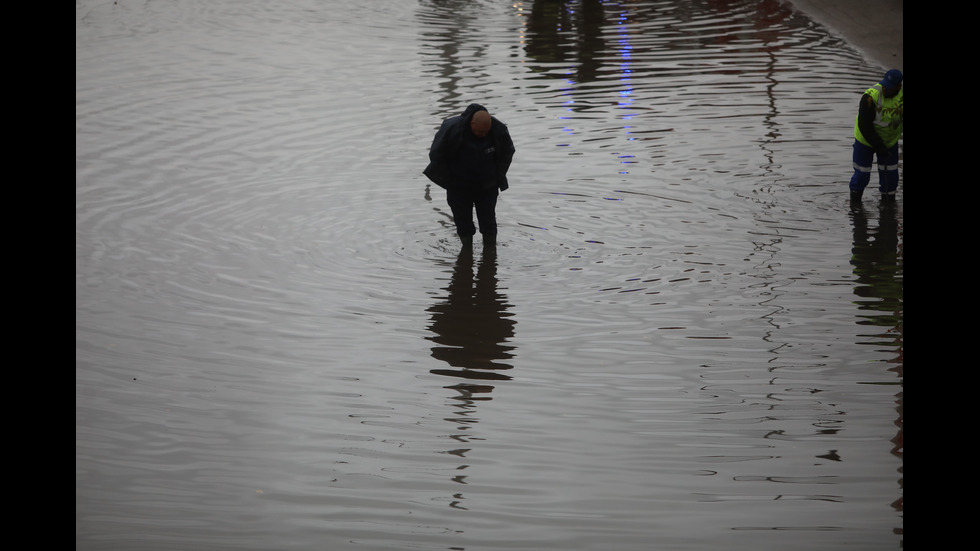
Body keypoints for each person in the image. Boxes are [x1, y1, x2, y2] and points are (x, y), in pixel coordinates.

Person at [424, 103, 516, 247]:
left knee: (488, 222)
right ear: (471, 123)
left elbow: (507, 152)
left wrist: (498, 176)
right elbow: (436, 155)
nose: (482, 135)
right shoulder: (452, 129)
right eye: (479, 132)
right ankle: (467, 249)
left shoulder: (498, 129)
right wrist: (449, 180)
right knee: (463, 222)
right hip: (458, 186)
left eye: (485, 132)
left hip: (487, 186)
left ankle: (489, 257)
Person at [849, 69, 903, 203]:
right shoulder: (870, 97)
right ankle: (855, 207)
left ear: (898, 87)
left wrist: (885, 146)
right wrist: (879, 146)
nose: (885, 90)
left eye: (889, 88)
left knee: (890, 177)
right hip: (865, 141)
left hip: (890, 142)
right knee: (862, 174)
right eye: (884, 86)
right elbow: (864, 125)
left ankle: (888, 207)